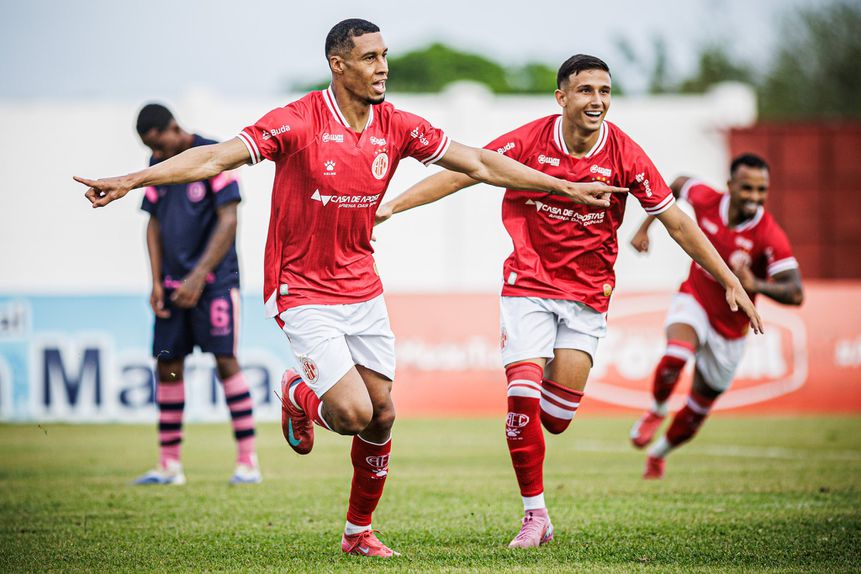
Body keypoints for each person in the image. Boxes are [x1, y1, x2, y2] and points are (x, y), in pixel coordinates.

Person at [74, 21, 626, 557]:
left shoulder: (399, 126)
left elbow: (479, 162)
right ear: (338, 66)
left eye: (384, 55)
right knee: (352, 414)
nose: (382, 67)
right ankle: (296, 394)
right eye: (369, 58)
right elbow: (217, 156)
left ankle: (357, 531)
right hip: (301, 288)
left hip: (362, 287)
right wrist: (131, 179)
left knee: (383, 414)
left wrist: (561, 185)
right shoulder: (297, 120)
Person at [375, 54, 763, 549]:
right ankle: (535, 517)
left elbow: (677, 221)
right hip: (528, 284)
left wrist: (728, 277)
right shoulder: (529, 141)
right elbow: (463, 170)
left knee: (554, 419)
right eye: (585, 91)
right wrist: (391, 206)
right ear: (562, 98)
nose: (596, 100)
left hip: (587, 295)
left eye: (604, 91)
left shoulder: (626, 154)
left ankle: (532, 443)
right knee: (522, 394)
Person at [628, 153, 803, 479]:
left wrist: (755, 285)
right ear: (730, 186)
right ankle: (657, 409)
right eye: (747, 188)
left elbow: (796, 292)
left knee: (696, 412)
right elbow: (677, 184)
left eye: (761, 190)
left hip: (731, 329)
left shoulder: (768, 235)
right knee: (675, 355)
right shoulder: (707, 199)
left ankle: (658, 453)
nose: (754, 197)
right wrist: (644, 228)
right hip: (695, 299)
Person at [129, 104, 260, 486]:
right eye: (151, 148)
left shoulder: (214, 155)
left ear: (174, 128)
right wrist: (156, 281)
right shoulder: (159, 165)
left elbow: (229, 220)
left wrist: (198, 277)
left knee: (225, 361)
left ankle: (247, 462)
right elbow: (152, 225)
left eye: (160, 144)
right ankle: (169, 466)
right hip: (171, 287)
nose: (158, 154)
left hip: (216, 284)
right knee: (168, 366)